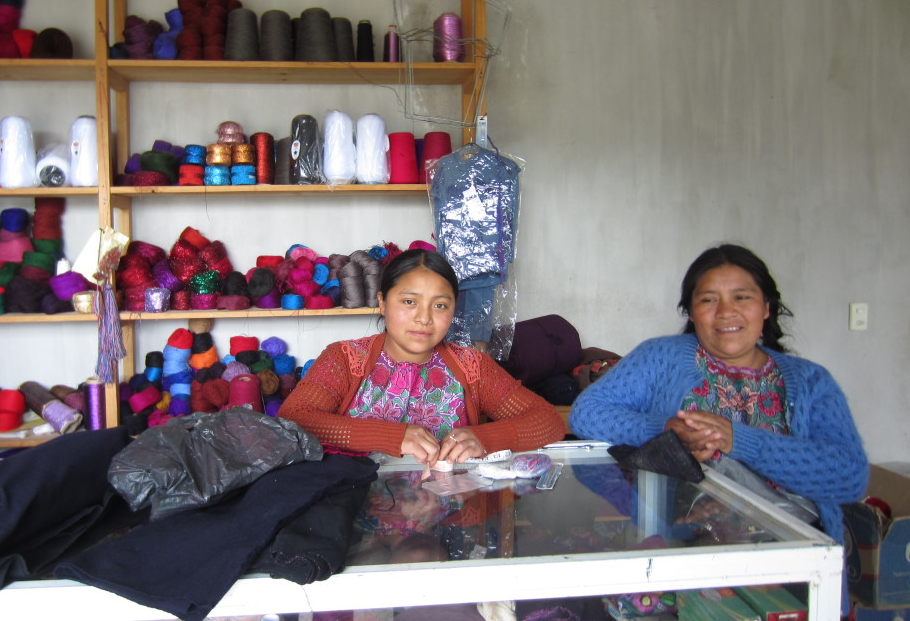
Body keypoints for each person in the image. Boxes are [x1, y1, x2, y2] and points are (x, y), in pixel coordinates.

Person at [570, 243, 868, 612]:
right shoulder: (661, 357)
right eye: (708, 299)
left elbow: (850, 476)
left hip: (794, 570)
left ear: (766, 308)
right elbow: (587, 413)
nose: (726, 311)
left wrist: (737, 440)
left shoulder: (810, 382)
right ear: (691, 312)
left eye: (742, 297)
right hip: (680, 559)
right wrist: (663, 428)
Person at [278, 249, 566, 466]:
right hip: (354, 513)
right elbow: (294, 420)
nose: (424, 318)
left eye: (440, 305)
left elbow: (548, 422)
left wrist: (485, 438)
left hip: (448, 521)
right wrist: (391, 436)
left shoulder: (472, 367)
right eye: (409, 302)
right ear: (382, 302)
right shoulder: (344, 359)